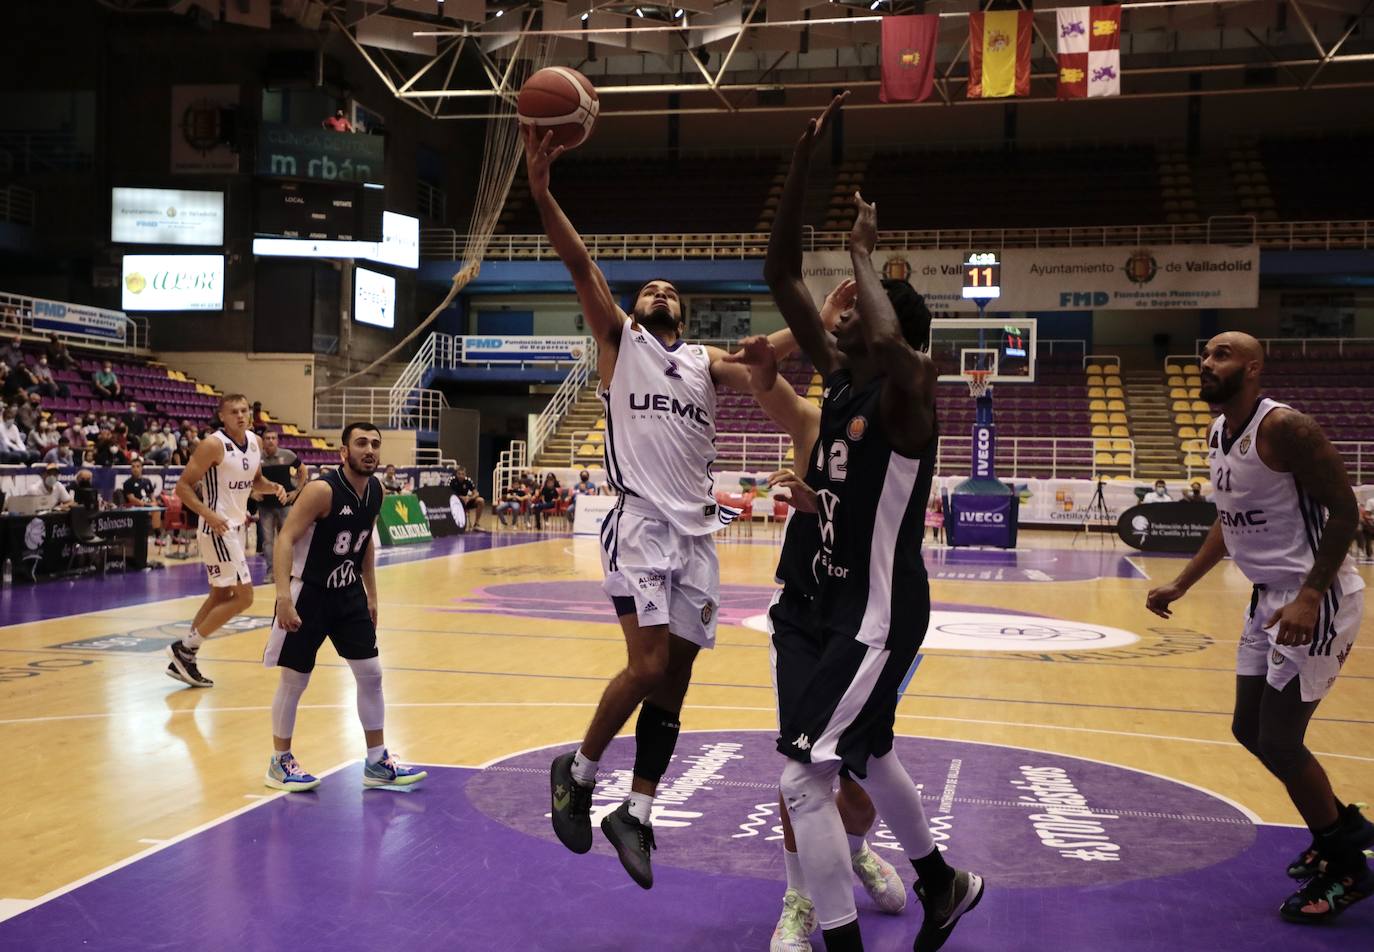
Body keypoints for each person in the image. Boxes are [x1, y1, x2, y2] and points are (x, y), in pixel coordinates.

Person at [526, 121, 802, 888]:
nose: (658, 292)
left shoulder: (705, 364)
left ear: (683, 314)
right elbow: (580, 263)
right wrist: (543, 192)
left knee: (676, 686)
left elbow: (766, 357)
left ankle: (636, 814)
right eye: (650, 287)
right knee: (645, 667)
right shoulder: (620, 341)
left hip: (697, 539)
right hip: (641, 522)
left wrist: (824, 319)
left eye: (669, 292)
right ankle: (578, 773)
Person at [761, 93, 982, 952]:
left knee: (803, 777)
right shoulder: (843, 378)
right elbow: (781, 273)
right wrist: (802, 170)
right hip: (832, 602)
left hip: (877, 611)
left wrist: (867, 251)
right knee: (869, 751)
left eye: (860, 303)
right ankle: (941, 881)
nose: (840, 305)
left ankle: (843, 936)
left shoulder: (905, 404)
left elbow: (899, 353)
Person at [1146, 331, 1372, 924]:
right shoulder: (1219, 432)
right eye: (1205, 354)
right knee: (1249, 728)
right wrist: (1182, 583)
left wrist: (1310, 595)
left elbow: (1346, 509)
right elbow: (1229, 522)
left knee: (1279, 739)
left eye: (1221, 355)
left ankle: (1345, 863)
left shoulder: (1286, 428)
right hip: (1267, 599)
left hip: (1313, 599)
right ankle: (1341, 827)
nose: (1206, 362)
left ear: (1252, 369)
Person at [732, 280, 913, 950]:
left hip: (865, 617)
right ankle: (800, 898)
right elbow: (763, 382)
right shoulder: (813, 421)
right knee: (801, 767)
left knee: (860, 771)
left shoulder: (890, 417)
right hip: (804, 613)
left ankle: (853, 851)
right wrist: (802, 328)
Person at [263, 421, 426, 793]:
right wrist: (283, 598)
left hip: (348, 591)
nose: (369, 450)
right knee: (295, 679)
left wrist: (371, 594)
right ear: (343, 452)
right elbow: (285, 538)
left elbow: (366, 543)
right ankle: (279, 762)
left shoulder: (376, 491)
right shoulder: (322, 490)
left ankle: (377, 761)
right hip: (310, 593)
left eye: (375, 444)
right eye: (361, 443)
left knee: (372, 674)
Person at [166, 394, 286, 689]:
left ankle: (184, 659)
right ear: (222, 416)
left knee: (220, 597)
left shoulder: (255, 442)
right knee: (245, 597)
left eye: (244, 410)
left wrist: (274, 487)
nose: (241, 416)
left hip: (236, 527)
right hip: (217, 528)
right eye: (234, 412)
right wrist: (209, 514)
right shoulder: (213, 445)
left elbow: (255, 481)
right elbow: (182, 488)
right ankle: (185, 648)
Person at [257, 429, 305, 584]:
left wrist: (297, 491)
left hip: (285, 505)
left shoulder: (288, 455)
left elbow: (303, 470)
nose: (270, 441)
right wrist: (252, 492)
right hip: (265, 506)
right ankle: (271, 572)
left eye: (273, 438)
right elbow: (247, 477)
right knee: (268, 541)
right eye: (267, 438)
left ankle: (290, 571)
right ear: (263, 441)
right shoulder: (256, 459)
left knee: (288, 539)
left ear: (277, 440)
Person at [450, 464, 485, 530]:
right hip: (456, 503)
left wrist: (469, 498)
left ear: (465, 474)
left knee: (481, 500)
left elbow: (476, 493)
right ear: (456, 474)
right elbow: (449, 494)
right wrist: (461, 498)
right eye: (459, 474)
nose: (461, 476)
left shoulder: (468, 481)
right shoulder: (452, 481)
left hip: (467, 501)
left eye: (462, 474)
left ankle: (476, 524)